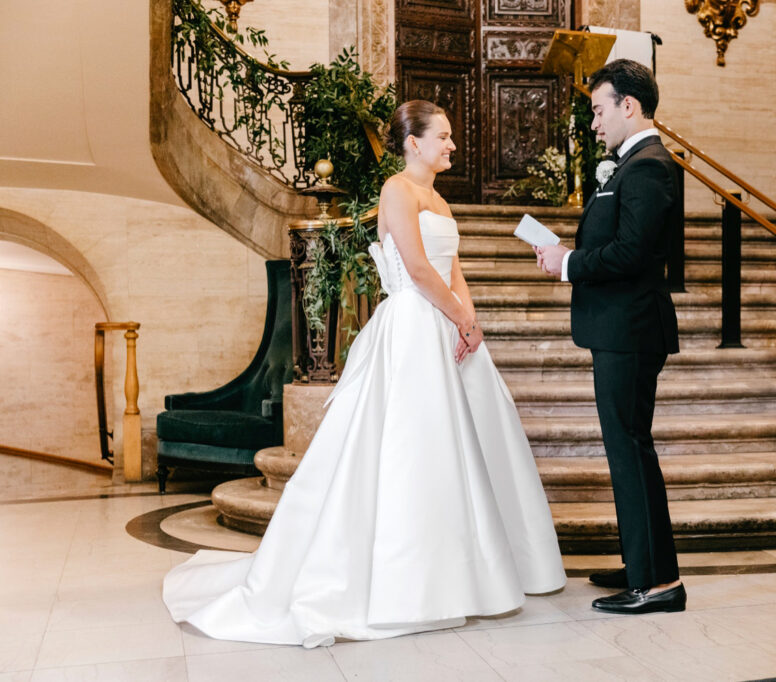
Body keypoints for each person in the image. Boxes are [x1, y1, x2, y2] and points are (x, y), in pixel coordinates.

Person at [163, 100, 566, 646]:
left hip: (448, 324)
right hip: (413, 325)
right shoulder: (397, 190)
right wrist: (458, 316)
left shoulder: (440, 200)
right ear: (414, 143)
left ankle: (469, 575)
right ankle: (408, 583)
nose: (452, 145)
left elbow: (453, 269)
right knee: (412, 447)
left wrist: (470, 320)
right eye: (443, 136)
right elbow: (417, 269)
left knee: (466, 447)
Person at [535, 59, 685, 615]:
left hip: (632, 327)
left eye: (599, 111)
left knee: (630, 450)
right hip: (620, 326)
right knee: (627, 449)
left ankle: (659, 584)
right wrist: (567, 253)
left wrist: (569, 262)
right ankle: (641, 562)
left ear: (629, 105)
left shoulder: (649, 166)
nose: (594, 123)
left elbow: (632, 253)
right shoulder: (630, 165)